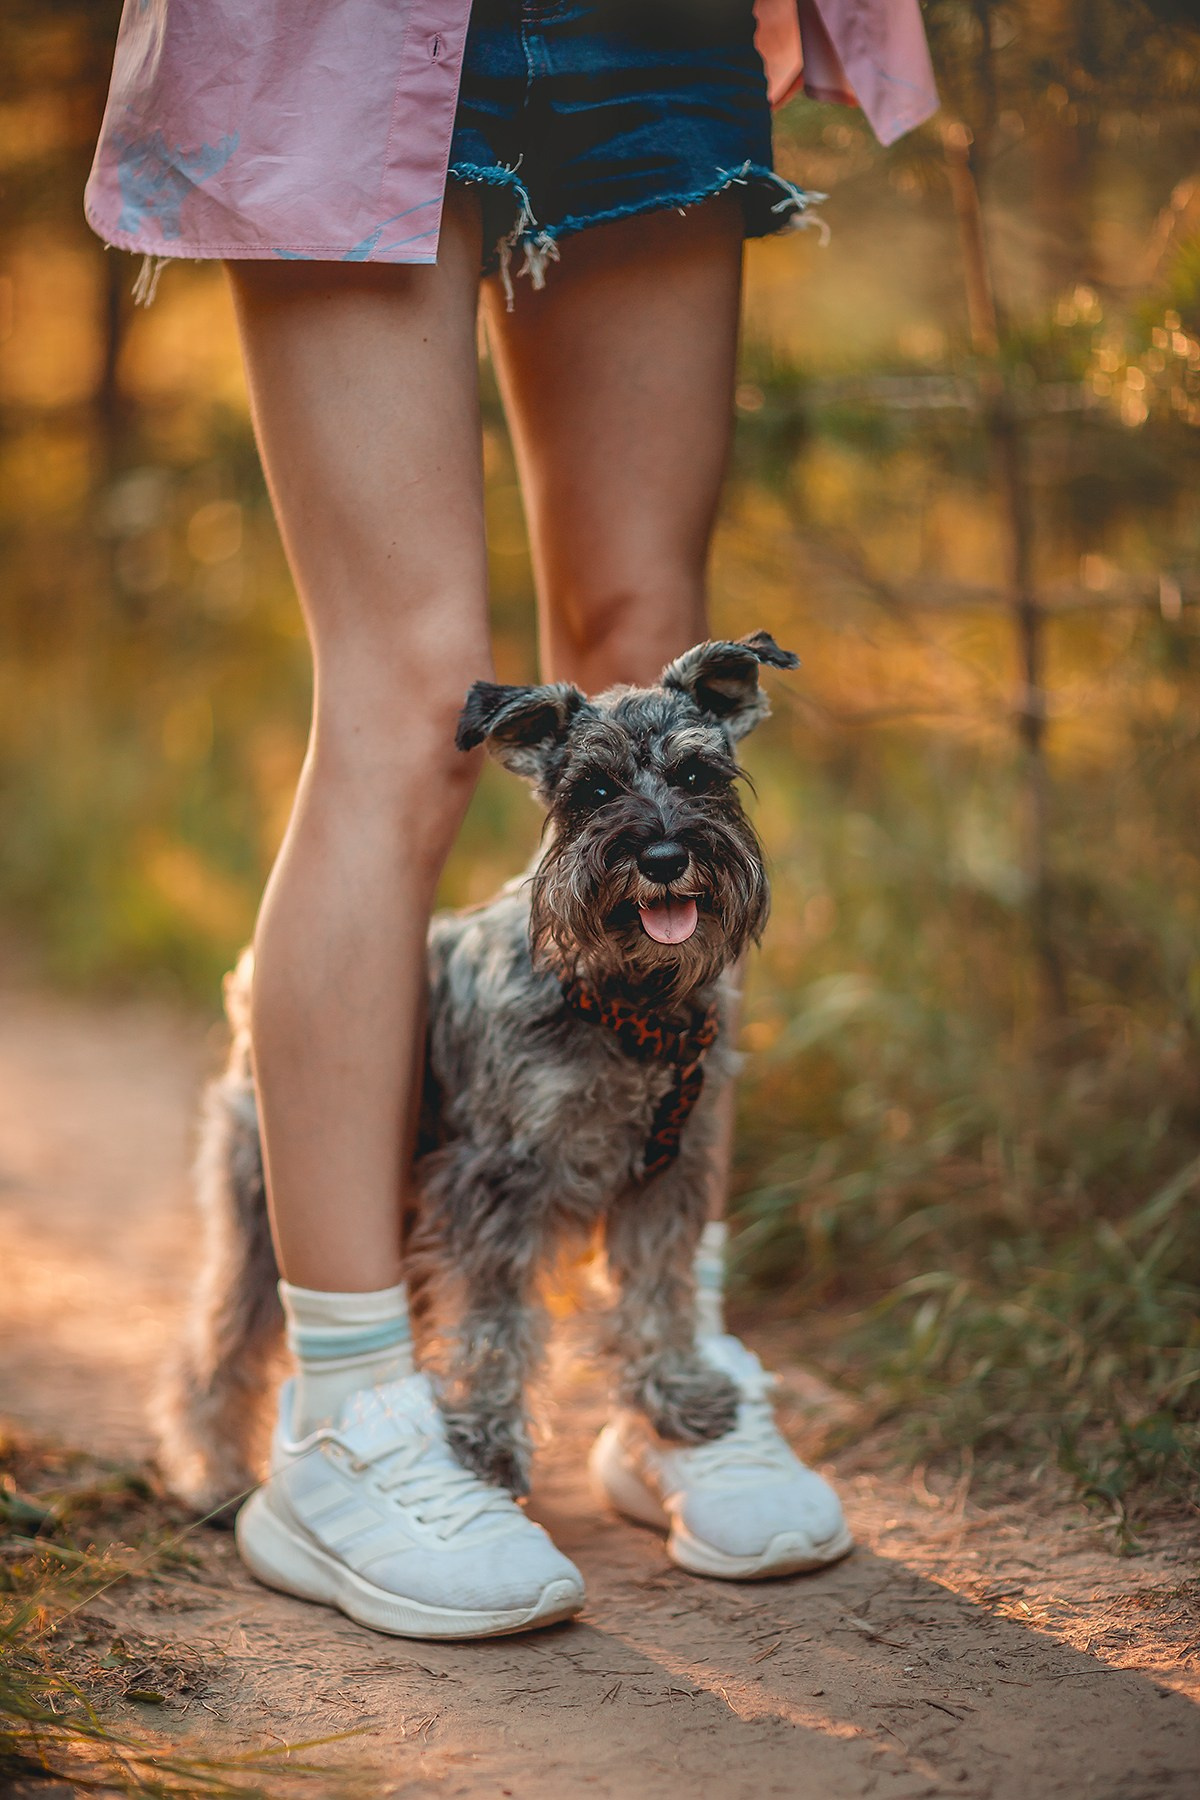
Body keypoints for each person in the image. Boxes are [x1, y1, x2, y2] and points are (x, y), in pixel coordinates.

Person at [86, 0, 937, 1639]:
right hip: (337, 35)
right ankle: (349, 1413)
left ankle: (666, 1375)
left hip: (657, 29)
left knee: (642, 639)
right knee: (413, 705)